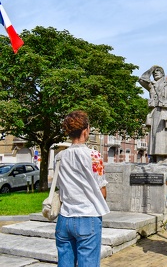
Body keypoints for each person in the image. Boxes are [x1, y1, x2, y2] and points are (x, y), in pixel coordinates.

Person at [55, 110, 110, 267]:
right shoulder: (94, 155)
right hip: (88, 216)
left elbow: (60, 185)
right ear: (86, 130)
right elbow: (102, 191)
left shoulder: (59, 157)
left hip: (64, 217)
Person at [139, 65, 167, 161]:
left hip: (166, 111)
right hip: (155, 112)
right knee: (154, 136)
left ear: (163, 73)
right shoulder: (152, 85)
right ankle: (155, 157)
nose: (155, 73)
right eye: (154, 72)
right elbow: (142, 79)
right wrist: (151, 69)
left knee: (166, 135)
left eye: (158, 71)